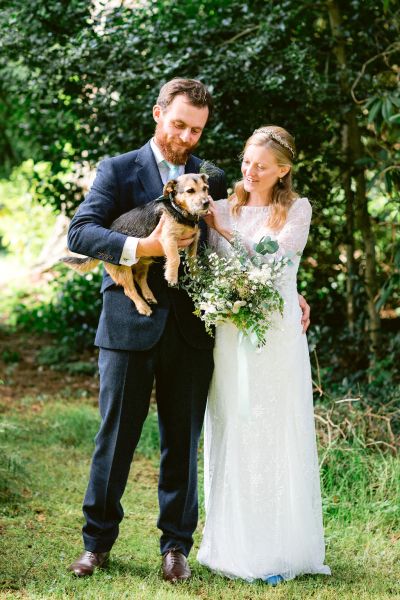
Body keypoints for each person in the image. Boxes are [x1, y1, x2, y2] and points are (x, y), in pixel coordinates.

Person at [66, 79, 310, 582]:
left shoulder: (211, 178)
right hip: (127, 323)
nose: (186, 137)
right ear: (159, 114)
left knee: (185, 440)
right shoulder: (117, 169)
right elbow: (81, 232)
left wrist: (285, 290)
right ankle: (97, 544)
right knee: (115, 439)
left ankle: (175, 546)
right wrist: (144, 250)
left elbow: (237, 241)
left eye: (196, 129)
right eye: (179, 124)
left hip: (195, 328)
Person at [197, 126, 331, 585]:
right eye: (246, 161)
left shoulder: (296, 209)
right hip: (230, 332)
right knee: (233, 423)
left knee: (274, 428)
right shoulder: (218, 205)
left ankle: (278, 549)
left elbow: (275, 266)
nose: (250, 172)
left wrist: (226, 233)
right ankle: (229, 544)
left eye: (262, 166)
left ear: (283, 170)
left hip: (275, 334)